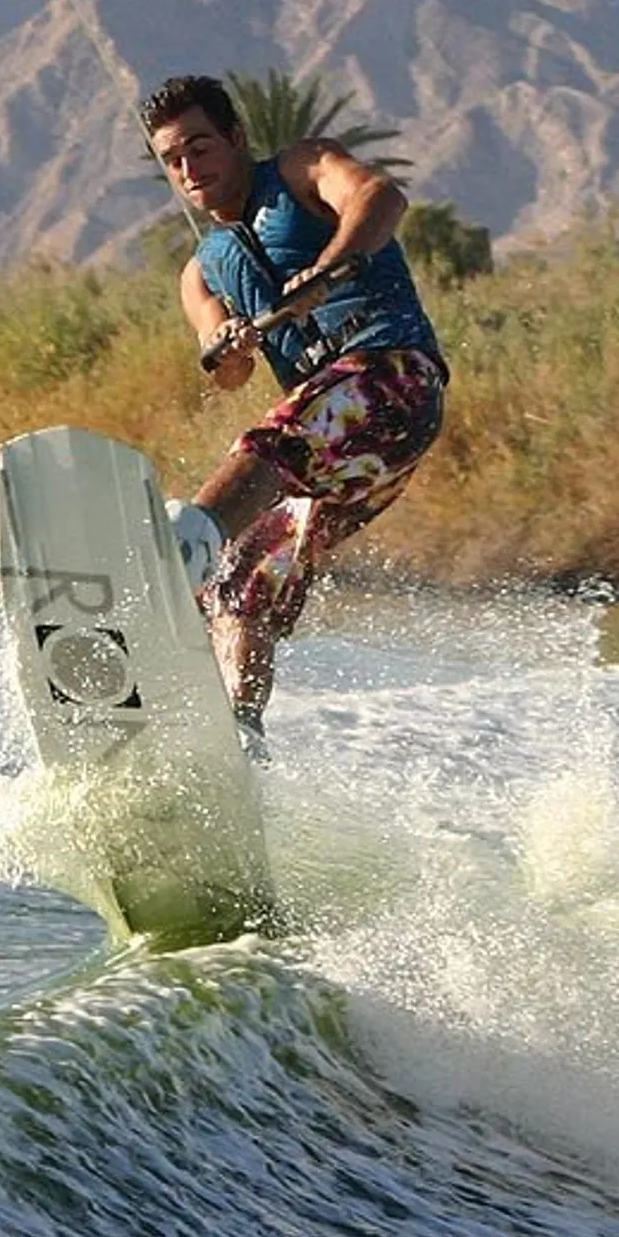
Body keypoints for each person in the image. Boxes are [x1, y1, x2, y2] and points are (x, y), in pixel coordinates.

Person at [139, 72, 447, 750]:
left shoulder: (301, 169)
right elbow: (230, 372)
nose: (190, 167)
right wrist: (224, 345)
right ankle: (238, 735)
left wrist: (331, 268)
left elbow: (380, 196)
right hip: (342, 449)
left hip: (390, 379)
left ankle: (182, 546)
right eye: (173, 159)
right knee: (243, 577)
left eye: (200, 146)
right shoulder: (201, 271)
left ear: (236, 139)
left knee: (266, 448)